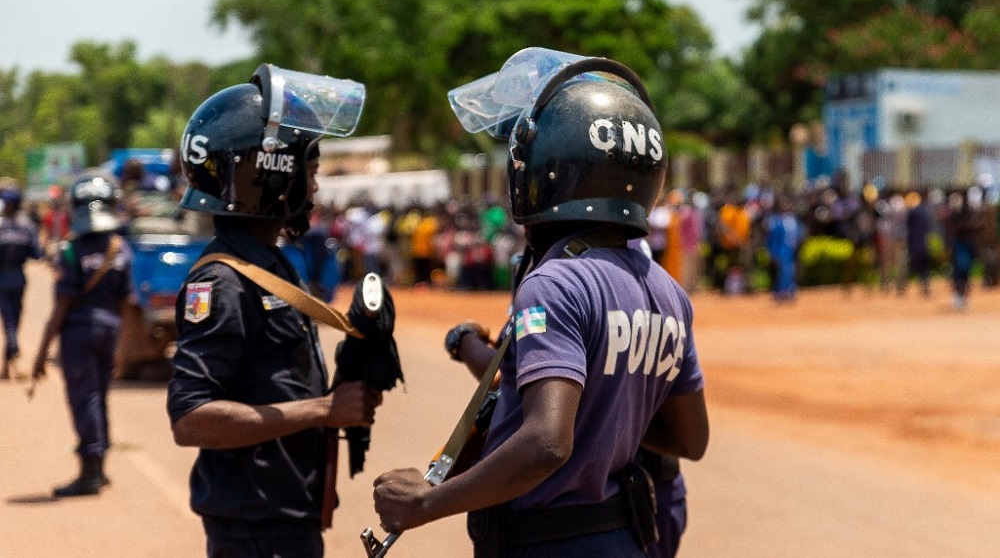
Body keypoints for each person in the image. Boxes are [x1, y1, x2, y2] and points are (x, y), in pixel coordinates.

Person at [373, 48, 709, 556]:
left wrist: (427, 501)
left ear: (548, 173)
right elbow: (690, 440)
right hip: (621, 538)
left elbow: (546, 443)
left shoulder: (554, 284)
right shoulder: (669, 294)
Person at [165, 65, 391, 558]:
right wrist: (323, 411)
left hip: (283, 522)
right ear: (273, 175)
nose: (315, 187)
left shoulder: (269, 265)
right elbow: (191, 417)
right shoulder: (222, 281)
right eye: (309, 170)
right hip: (257, 533)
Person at [31, 169, 134, 496]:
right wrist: (119, 346)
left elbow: (60, 308)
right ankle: (99, 468)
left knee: (84, 399)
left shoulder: (71, 252)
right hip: (110, 330)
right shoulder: (120, 248)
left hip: (79, 335)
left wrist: (41, 353)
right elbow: (123, 303)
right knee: (99, 398)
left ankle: (89, 472)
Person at [0, 186, 44, 380]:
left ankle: (8, 359)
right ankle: (13, 347)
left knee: (14, 319)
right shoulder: (25, 226)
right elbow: (36, 252)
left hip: (15, 277)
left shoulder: (23, 226)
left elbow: (36, 253)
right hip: (8, 278)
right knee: (10, 319)